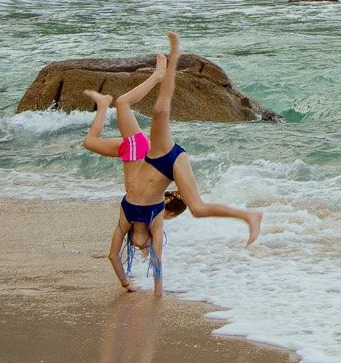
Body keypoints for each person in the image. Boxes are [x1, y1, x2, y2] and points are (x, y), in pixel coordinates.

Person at [83, 32, 263, 284]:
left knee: (120, 107)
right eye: (142, 247)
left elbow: (119, 253)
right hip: (135, 152)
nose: (139, 246)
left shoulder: (137, 214)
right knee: (110, 117)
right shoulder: (151, 214)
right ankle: (106, 103)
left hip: (135, 151)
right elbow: (148, 247)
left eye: (138, 247)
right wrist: (150, 269)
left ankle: (149, 81)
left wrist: (133, 277)